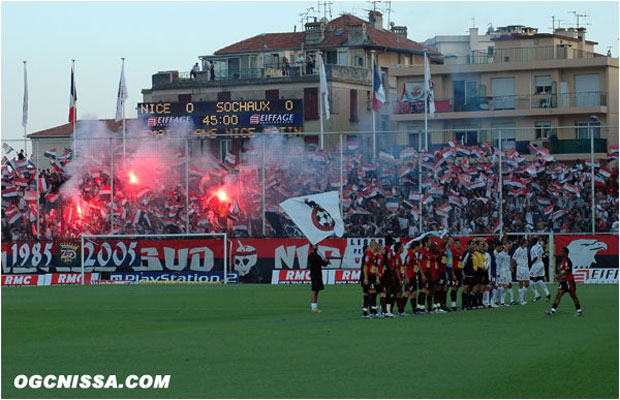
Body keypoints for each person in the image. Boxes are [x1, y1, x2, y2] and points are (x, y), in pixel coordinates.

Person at [546, 247, 583, 317]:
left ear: (565, 253)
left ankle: (579, 312)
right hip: (563, 281)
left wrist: (558, 276)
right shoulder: (563, 260)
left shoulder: (568, 261)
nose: (560, 253)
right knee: (558, 295)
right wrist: (560, 277)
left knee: (573, 296)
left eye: (561, 252)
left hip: (569, 281)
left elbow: (567, 271)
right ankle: (552, 311)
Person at [308, 243, 329, 312]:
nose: (317, 246)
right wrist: (324, 261)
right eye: (316, 245)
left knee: (317, 291)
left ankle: (314, 306)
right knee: (314, 291)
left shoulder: (317, 256)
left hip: (318, 274)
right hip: (315, 275)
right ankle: (314, 307)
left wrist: (326, 261)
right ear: (312, 247)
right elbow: (320, 262)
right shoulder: (312, 256)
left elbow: (323, 264)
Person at [529, 236, 551, 302]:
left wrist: (530, 264)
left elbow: (535, 257)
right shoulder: (539, 246)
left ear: (534, 241)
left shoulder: (533, 248)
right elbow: (543, 254)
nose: (531, 241)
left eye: (532, 240)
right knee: (539, 279)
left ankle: (537, 294)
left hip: (536, 264)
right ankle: (547, 293)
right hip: (541, 263)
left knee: (530, 279)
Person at [512, 238, 530, 305]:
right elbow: (513, 258)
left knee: (527, 283)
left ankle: (520, 297)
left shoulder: (525, 249)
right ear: (523, 243)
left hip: (526, 267)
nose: (527, 243)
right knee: (521, 283)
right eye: (526, 242)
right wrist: (512, 266)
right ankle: (521, 300)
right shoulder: (518, 250)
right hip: (520, 268)